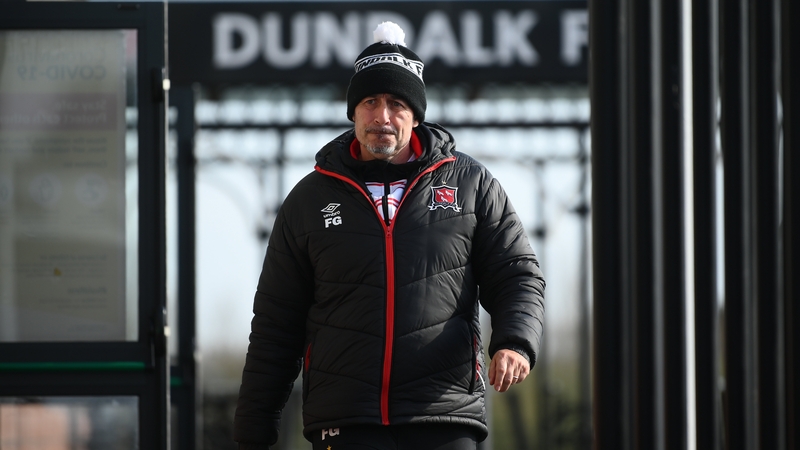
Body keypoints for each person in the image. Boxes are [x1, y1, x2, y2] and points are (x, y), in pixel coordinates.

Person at [233, 22, 545, 450]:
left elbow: (517, 274)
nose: (382, 116)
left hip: (444, 414)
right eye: (370, 102)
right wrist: (254, 427)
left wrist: (515, 342)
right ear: (353, 112)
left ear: (416, 115)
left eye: (397, 103)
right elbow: (275, 322)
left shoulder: (472, 184)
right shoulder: (309, 199)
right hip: (345, 420)